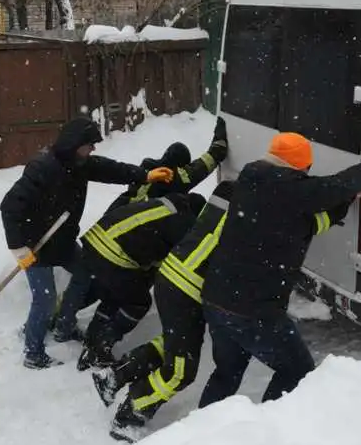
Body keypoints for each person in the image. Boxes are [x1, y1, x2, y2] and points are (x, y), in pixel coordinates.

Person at [91, 180, 356, 443]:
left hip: (175, 274)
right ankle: (130, 414)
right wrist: (346, 195)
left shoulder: (229, 190)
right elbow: (306, 222)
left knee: (176, 344)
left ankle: (115, 375)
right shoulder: (257, 213)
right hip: (190, 285)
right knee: (181, 370)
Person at [197, 131, 361, 406]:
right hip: (255, 311)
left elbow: (316, 208)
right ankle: (267, 423)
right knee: (297, 370)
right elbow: (331, 188)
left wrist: (351, 195)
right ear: (301, 168)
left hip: (217, 300)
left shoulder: (250, 179)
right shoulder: (293, 190)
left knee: (226, 373)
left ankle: (203, 426)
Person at [0, 116, 175, 370]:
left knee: (86, 273)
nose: (92, 149)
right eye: (89, 144)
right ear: (74, 143)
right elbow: (9, 206)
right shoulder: (43, 168)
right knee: (45, 299)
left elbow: (111, 170)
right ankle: (33, 352)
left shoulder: (79, 164)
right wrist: (19, 249)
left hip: (62, 241)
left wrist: (145, 175)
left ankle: (64, 326)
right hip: (34, 245)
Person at [53, 116, 229, 340]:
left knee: (95, 285)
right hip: (130, 245)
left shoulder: (146, 172)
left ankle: (58, 318)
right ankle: (98, 338)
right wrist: (219, 142)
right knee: (128, 296)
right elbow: (203, 165)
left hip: (108, 232)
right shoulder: (172, 180)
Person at [74, 192, 208, 372]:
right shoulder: (183, 224)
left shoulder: (165, 205)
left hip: (97, 240)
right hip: (113, 252)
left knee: (116, 295)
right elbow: (169, 263)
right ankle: (101, 345)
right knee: (138, 303)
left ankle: (92, 340)